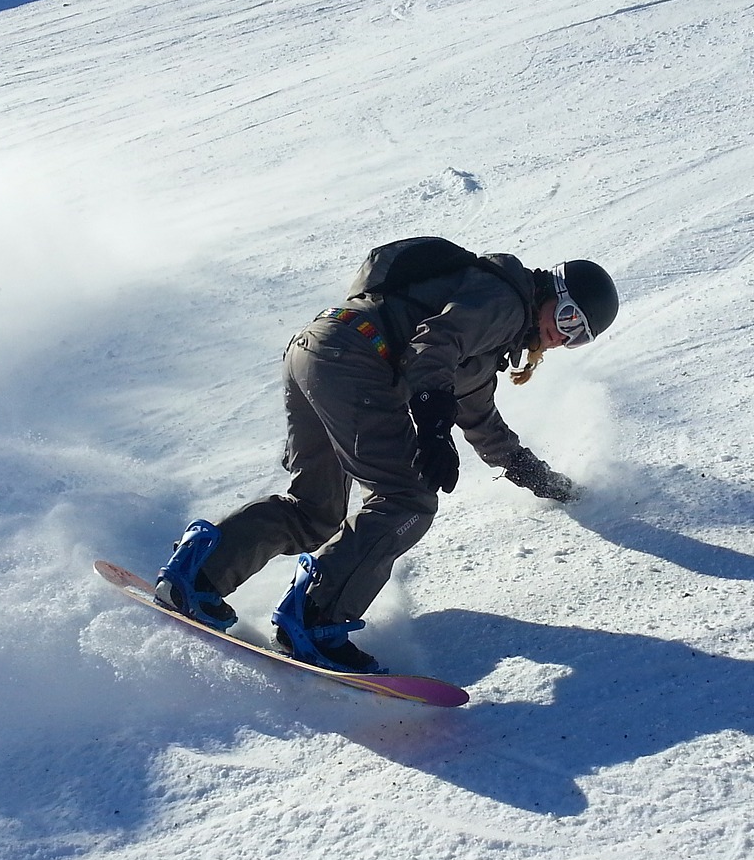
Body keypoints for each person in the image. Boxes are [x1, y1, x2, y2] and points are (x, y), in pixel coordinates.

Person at [154, 243, 618, 674]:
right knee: (407, 501)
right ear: (549, 292)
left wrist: (540, 478)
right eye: (568, 316)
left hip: (319, 348)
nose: (562, 336)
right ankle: (316, 620)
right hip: (357, 357)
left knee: (315, 509)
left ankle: (199, 576)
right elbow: (436, 343)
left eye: (578, 336)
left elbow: (483, 423)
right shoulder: (504, 300)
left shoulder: (490, 335)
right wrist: (433, 420)